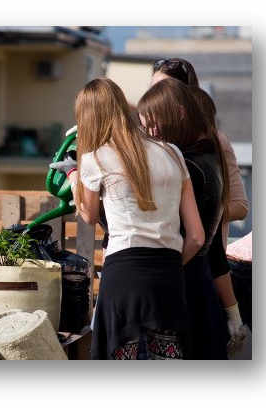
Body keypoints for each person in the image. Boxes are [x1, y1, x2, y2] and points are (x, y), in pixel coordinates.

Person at [51, 78, 204, 360]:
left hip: (124, 275)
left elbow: (87, 214)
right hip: (169, 276)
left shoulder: (96, 158)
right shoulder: (173, 153)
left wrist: (73, 174)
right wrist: (166, 265)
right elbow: (196, 236)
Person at [151, 58, 248, 356]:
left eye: (165, 90)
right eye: (153, 89)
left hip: (202, 261)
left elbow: (240, 207)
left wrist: (198, 208)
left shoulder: (211, 144)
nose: (156, 99)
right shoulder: (155, 142)